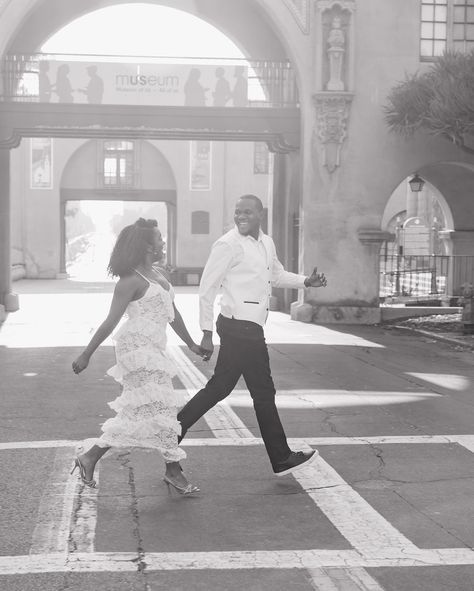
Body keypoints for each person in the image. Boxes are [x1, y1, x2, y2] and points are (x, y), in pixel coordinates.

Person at [177, 194, 327, 476]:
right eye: (237, 212)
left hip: (251, 327)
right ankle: (281, 457)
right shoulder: (228, 244)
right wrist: (206, 332)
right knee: (261, 392)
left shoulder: (266, 243)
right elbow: (207, 288)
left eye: (247, 212)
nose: (240, 216)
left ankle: (172, 433)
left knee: (221, 388)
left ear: (260, 214)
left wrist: (305, 282)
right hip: (238, 327)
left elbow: (276, 275)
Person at [71, 218, 205, 495]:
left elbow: (173, 314)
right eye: (158, 238)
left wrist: (191, 343)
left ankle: (91, 456)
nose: (163, 241)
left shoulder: (159, 275)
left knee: (148, 411)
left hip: (154, 349)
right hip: (135, 349)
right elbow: (110, 322)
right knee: (158, 410)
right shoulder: (130, 281)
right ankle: (172, 470)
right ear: (146, 246)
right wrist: (86, 354)